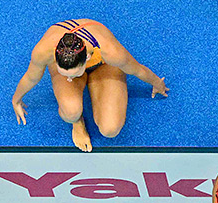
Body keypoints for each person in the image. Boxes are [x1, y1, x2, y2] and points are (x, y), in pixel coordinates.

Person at [12, 19, 167, 152]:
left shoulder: (111, 52)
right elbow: (31, 78)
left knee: (110, 129)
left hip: (104, 65)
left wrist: (156, 83)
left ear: (86, 58)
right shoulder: (44, 51)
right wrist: (16, 99)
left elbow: (138, 69)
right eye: (65, 73)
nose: (70, 79)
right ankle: (78, 123)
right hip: (69, 61)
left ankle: (89, 78)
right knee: (71, 112)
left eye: (73, 74)